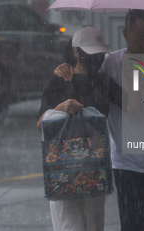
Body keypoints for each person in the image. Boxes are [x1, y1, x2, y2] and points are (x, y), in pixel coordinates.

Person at [55, 9, 144, 231]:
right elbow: (86, 78)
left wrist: (141, 76)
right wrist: (66, 69)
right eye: (141, 34)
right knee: (130, 223)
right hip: (126, 161)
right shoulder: (111, 61)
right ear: (126, 34)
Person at [37, 26, 125, 231]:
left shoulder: (104, 82)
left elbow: (134, 104)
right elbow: (40, 124)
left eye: (100, 54)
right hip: (64, 171)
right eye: (90, 53)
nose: (96, 58)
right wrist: (60, 108)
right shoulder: (59, 80)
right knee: (69, 225)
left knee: (94, 225)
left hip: (94, 171)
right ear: (76, 51)